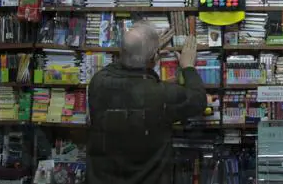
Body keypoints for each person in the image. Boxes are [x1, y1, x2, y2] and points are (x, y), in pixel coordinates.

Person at [87, 22, 207, 184]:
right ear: (152, 60)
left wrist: (144, 52)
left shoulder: (98, 83)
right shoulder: (161, 94)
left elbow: (118, 68)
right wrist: (188, 67)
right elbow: (198, 99)